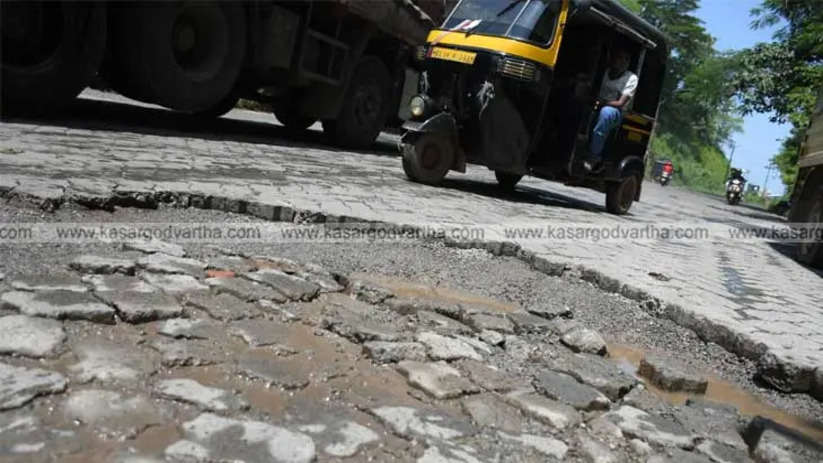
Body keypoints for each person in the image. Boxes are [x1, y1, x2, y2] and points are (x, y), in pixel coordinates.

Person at [584, 47, 638, 172]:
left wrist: (603, 103)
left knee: (606, 112)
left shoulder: (631, 78)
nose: (618, 61)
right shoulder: (605, 72)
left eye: (622, 59)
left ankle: (594, 156)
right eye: (617, 58)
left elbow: (621, 102)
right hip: (598, 103)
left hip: (615, 111)